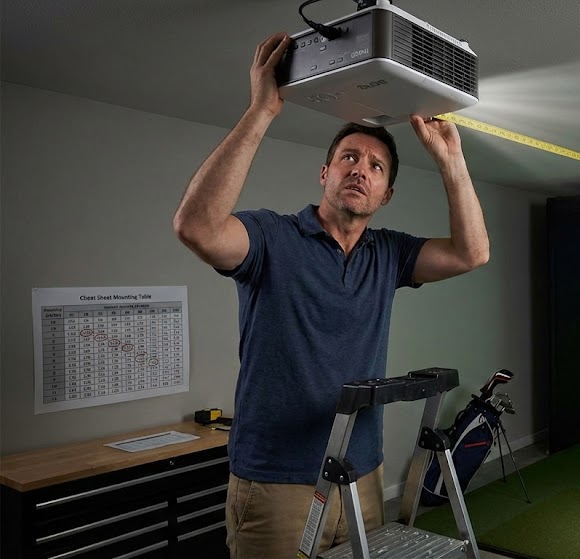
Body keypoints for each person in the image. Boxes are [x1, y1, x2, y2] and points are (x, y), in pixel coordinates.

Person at [172, 32, 489, 558]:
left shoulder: (388, 254)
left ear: (386, 194)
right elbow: (197, 227)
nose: (359, 169)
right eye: (348, 157)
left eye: (376, 166)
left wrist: (451, 159)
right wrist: (262, 110)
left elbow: (471, 253)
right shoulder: (271, 237)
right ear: (326, 172)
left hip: (361, 474)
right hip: (276, 480)